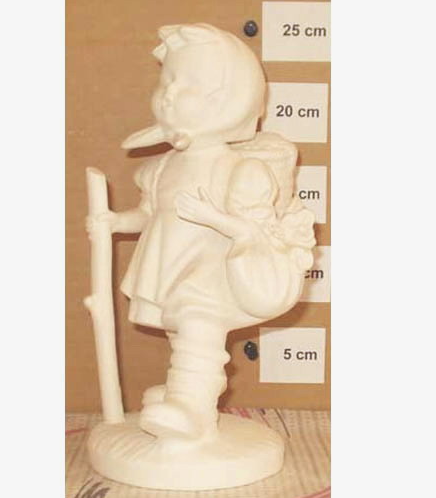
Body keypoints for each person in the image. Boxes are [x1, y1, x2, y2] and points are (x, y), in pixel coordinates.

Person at [87, 24, 315, 442]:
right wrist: (116, 222)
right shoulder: (163, 167)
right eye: (166, 83)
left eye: (188, 85)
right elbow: (150, 213)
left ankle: (190, 405)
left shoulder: (239, 169)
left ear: (231, 101)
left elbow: (252, 227)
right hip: (171, 266)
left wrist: (214, 217)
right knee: (181, 330)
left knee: (197, 323)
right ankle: (188, 389)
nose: (169, 94)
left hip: (212, 274)